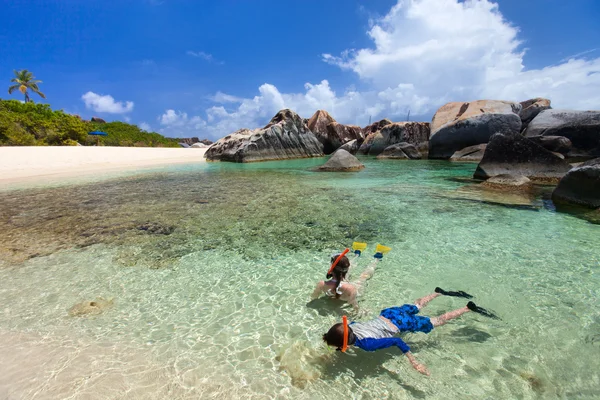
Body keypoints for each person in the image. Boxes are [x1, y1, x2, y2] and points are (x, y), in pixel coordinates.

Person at [321, 287, 499, 376]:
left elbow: (397, 341)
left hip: (400, 323)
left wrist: (414, 363)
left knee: (436, 321)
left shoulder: (367, 345)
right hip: (389, 313)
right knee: (416, 306)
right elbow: (353, 326)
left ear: (344, 344)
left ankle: (468, 308)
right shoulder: (351, 325)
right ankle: (437, 293)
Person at [310, 247, 385, 312]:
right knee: (364, 276)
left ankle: (357, 254)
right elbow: (353, 303)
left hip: (342, 282)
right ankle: (376, 258)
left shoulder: (322, 284)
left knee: (361, 276)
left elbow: (314, 296)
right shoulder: (351, 288)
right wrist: (358, 311)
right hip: (352, 287)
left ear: (331, 269)